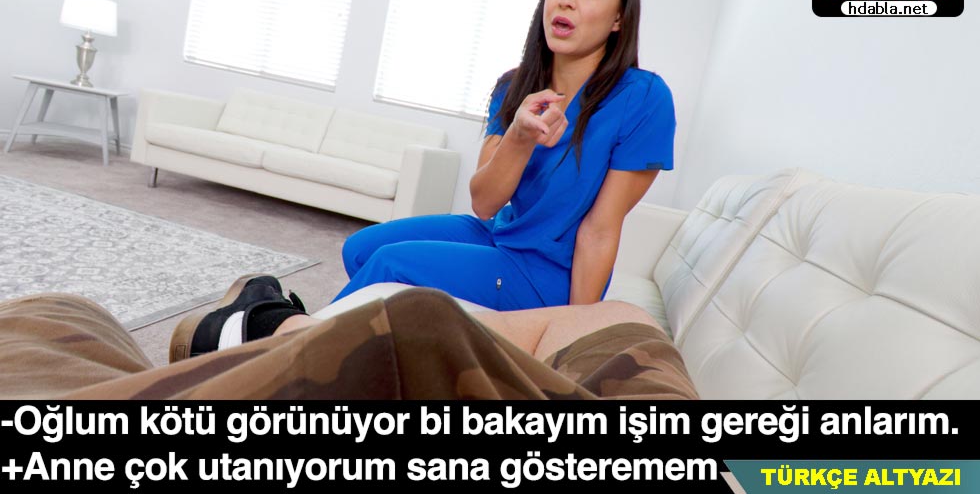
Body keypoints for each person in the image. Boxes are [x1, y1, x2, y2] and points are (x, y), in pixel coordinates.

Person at [333, 0, 676, 311]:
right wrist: (519, 137)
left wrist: (570, 327)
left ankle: (300, 337)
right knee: (359, 248)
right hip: (500, 233)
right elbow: (484, 203)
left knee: (390, 263)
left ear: (619, 18)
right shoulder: (514, 86)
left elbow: (600, 230)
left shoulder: (643, 98)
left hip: (546, 271)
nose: (566, 0)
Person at [0, 275, 697, 400]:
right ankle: (274, 324)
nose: (567, 0)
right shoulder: (523, 88)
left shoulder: (639, 102)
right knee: (379, 260)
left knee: (48, 320)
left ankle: (270, 324)